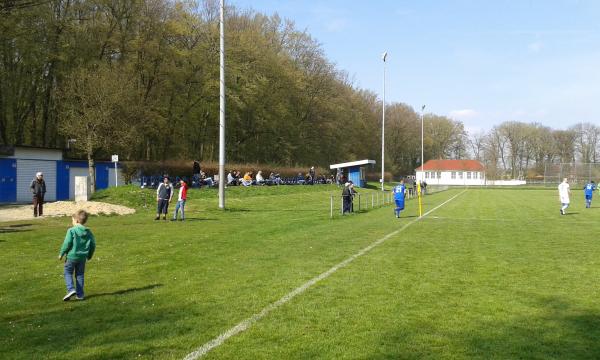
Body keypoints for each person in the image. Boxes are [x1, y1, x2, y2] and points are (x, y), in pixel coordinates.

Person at [59, 210, 96, 301]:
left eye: (72, 220)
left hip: (71, 257)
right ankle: (80, 295)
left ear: (76, 220)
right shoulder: (88, 232)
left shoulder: (71, 230)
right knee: (80, 275)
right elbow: (93, 244)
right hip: (82, 258)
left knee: (67, 272)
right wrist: (89, 255)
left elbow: (67, 243)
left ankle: (71, 289)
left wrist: (61, 253)